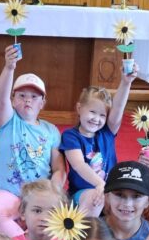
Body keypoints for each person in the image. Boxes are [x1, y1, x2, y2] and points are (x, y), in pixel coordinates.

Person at [0, 45, 66, 236]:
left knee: (58, 220)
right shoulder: (8, 121)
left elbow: (59, 169)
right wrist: (9, 67)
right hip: (9, 191)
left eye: (34, 96)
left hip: (39, 194)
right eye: (22, 96)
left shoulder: (51, 130)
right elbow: (1, 98)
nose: (28, 100)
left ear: (42, 103)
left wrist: (52, 191)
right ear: (13, 100)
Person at [59, 64, 138, 217]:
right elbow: (79, 165)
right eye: (92, 112)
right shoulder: (71, 136)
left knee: (129, 197)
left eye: (102, 115)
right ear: (79, 108)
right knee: (94, 198)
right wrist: (100, 184)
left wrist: (126, 82)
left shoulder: (107, 132)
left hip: (109, 190)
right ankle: (85, 232)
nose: (96, 119)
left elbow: (118, 108)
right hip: (82, 193)